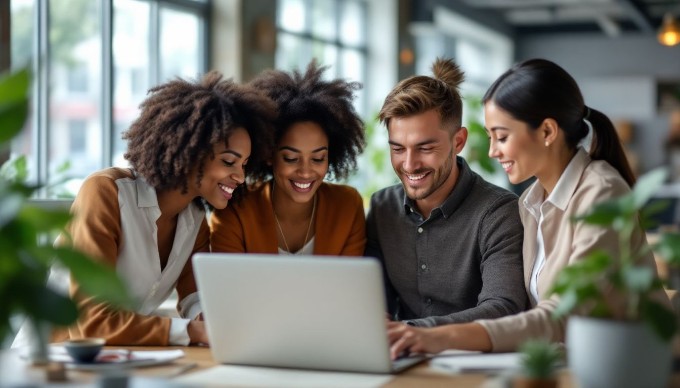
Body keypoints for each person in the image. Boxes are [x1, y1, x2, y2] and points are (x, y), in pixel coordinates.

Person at [386, 58, 661, 356]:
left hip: (628, 367)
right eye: (491, 137)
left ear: (546, 132)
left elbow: (564, 313)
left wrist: (438, 336)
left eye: (502, 137)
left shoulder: (602, 193)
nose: (492, 151)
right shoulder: (532, 202)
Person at [52, 71, 276, 346]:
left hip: (120, 362)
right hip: (51, 363)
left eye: (244, 165)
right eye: (229, 162)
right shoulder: (106, 194)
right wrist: (193, 332)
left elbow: (194, 297)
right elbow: (90, 323)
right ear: (191, 152)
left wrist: (208, 319)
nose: (240, 177)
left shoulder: (195, 222)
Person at [366, 57, 527, 328]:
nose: (409, 164)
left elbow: (503, 308)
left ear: (459, 141)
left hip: (473, 362)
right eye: (397, 149)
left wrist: (413, 331)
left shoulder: (499, 212)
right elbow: (373, 302)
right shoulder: (382, 207)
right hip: (401, 358)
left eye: (425, 148)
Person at [210, 61, 366, 256]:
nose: (306, 171)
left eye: (318, 158)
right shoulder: (236, 209)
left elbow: (350, 283)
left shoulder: (346, 205)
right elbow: (226, 283)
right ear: (269, 154)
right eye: (291, 158)